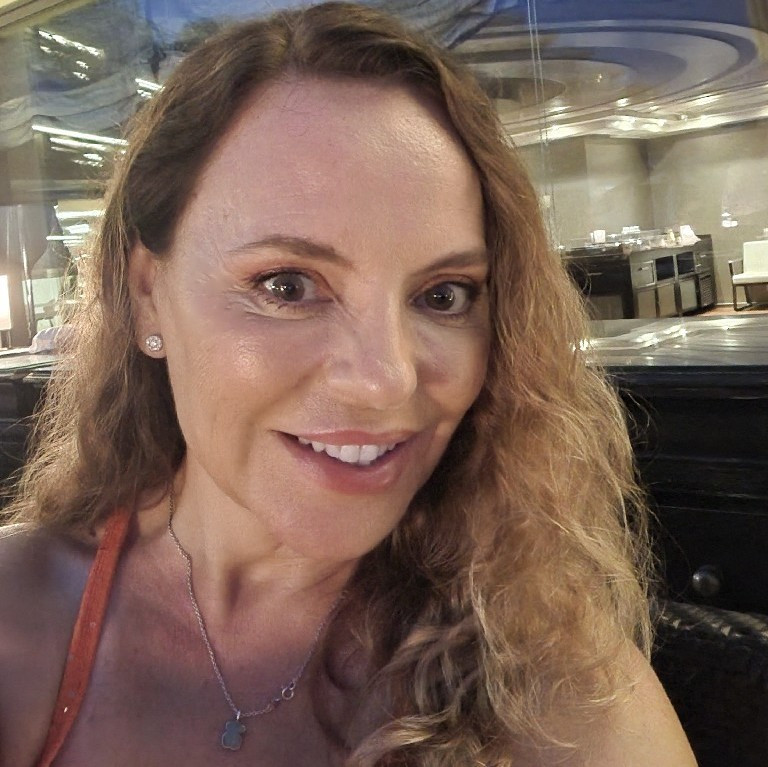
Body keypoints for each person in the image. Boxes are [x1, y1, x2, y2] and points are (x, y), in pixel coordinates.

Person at [0, 3, 696, 765]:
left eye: (443, 295)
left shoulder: (553, 686)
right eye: (287, 285)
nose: (386, 380)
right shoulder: (21, 615)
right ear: (146, 297)